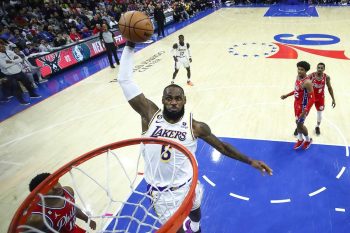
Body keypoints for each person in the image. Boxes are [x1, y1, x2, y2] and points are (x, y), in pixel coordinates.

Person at [118, 41, 273, 233]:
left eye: (177, 98)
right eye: (169, 98)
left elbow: (222, 147)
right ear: (162, 100)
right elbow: (125, 80)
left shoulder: (195, 126)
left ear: (184, 100)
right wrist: (130, 45)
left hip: (189, 184)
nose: (173, 102)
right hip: (162, 195)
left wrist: (251, 161)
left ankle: (195, 225)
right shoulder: (149, 115)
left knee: (196, 213)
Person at [26, 173, 97, 232]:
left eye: (55, 182)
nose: (56, 187)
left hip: (73, 230)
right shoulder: (36, 218)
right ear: (39, 196)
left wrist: (87, 219)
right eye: (48, 188)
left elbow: (73, 208)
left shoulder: (68, 191)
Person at [281, 61, 315, 150]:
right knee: (297, 123)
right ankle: (300, 139)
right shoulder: (298, 77)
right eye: (298, 69)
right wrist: (287, 95)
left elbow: (312, 99)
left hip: (303, 106)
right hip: (296, 104)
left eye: (302, 70)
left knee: (300, 125)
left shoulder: (307, 82)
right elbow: (296, 90)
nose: (299, 71)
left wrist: (305, 111)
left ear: (306, 71)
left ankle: (308, 140)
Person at [308, 63, 336, 135]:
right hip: (311, 97)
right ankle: (299, 127)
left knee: (320, 114)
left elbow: (330, 88)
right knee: (304, 112)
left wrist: (333, 99)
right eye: (318, 68)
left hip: (320, 98)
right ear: (316, 68)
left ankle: (317, 127)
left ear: (324, 69)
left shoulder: (326, 77)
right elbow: (304, 84)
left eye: (321, 68)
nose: (320, 69)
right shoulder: (311, 76)